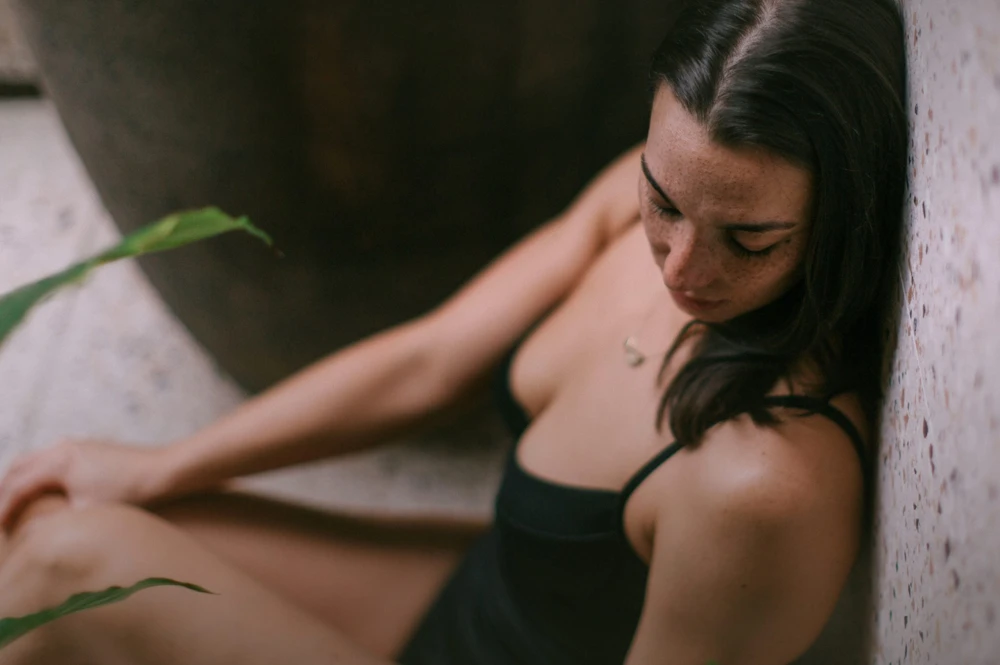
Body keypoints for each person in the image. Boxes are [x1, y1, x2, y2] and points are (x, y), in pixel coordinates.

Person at [0, 0, 907, 663]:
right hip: (468, 598)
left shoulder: (767, 486)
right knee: (54, 515)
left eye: (749, 240)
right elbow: (430, 360)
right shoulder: (676, 185)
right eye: (661, 201)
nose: (679, 268)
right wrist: (161, 463)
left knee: (61, 567)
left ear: (844, 221)